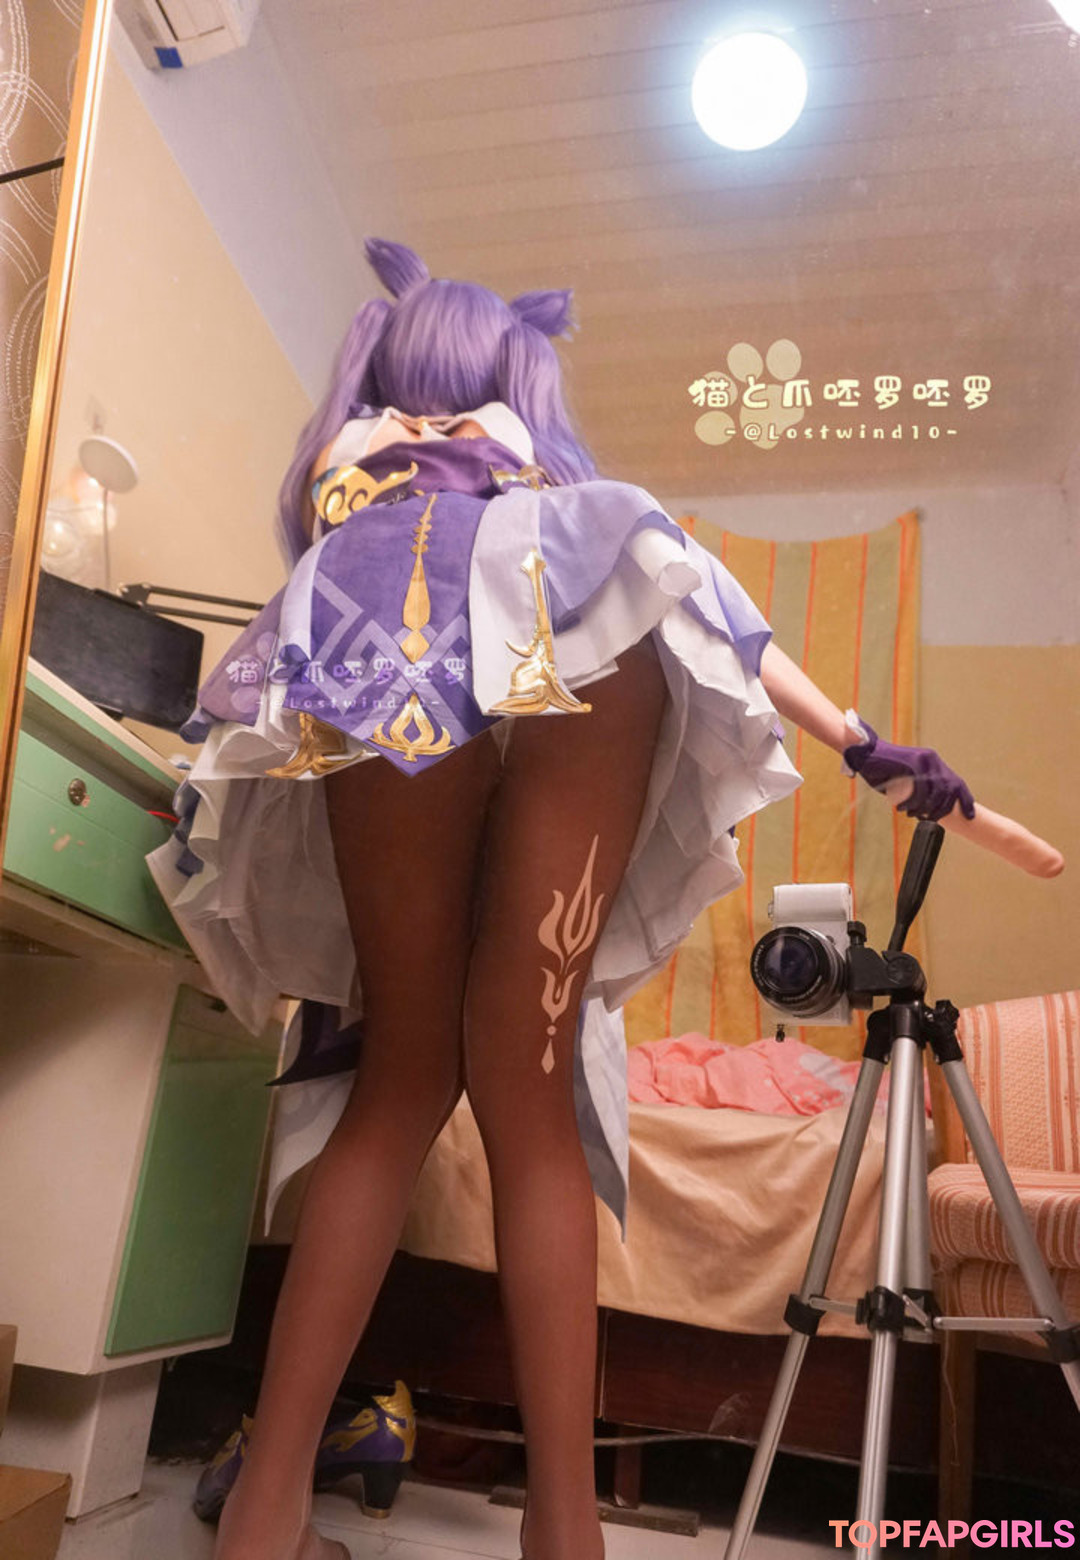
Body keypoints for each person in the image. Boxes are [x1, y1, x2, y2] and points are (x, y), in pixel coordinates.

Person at [146, 238, 974, 1560]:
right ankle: (566, 1533)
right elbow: (703, 600)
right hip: (585, 633)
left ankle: (263, 1516)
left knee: (400, 1085)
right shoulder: (573, 505)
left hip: (384, 628)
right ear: (518, 374)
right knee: (529, 1107)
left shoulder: (356, 495)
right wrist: (863, 743)